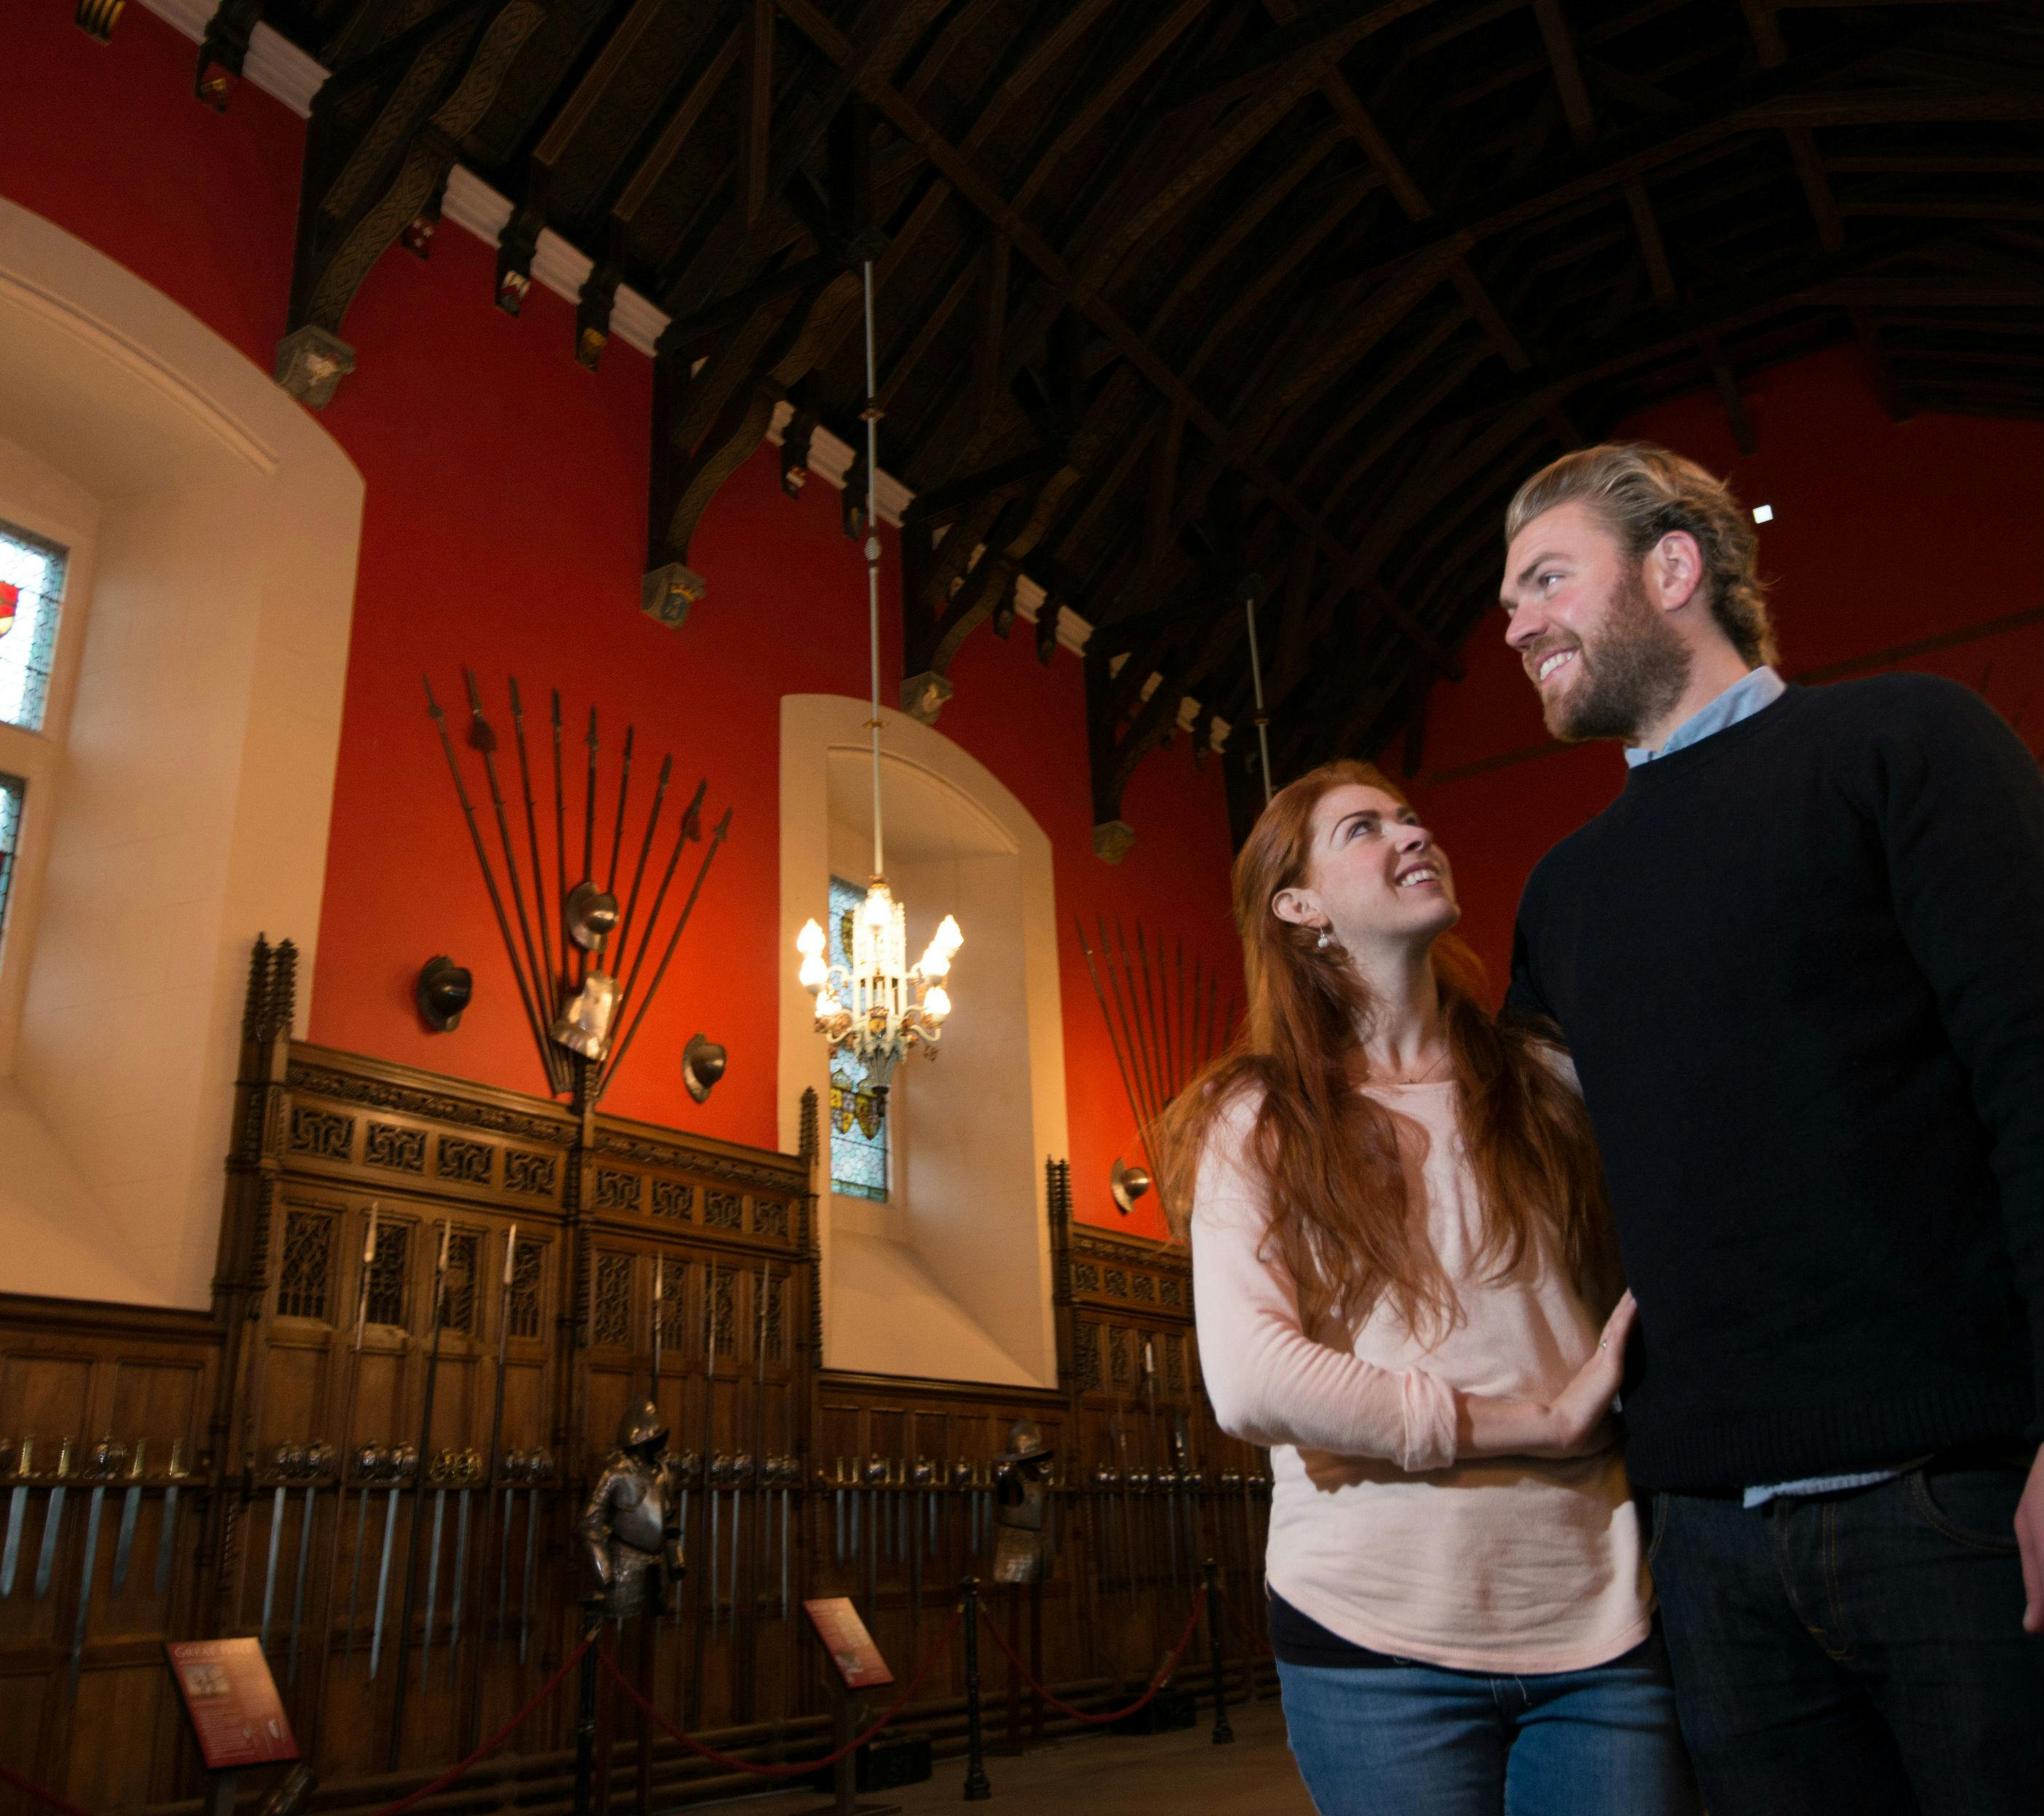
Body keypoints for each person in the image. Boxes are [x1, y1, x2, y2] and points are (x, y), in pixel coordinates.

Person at [1498, 443, 2044, 1815]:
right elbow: (1530, 1185)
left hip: (1958, 1506)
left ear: (1673, 568)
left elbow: (2034, 1072)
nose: (1512, 624)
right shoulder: (1560, 897)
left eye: (1545, 578)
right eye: (1507, 598)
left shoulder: (1902, 742)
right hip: (1708, 1547)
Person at [1156, 758, 1697, 1816]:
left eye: (1412, 818)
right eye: (1363, 828)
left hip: (1594, 1613)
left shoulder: (1546, 1085)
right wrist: (1527, 1425)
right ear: (1297, 905)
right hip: (1371, 1632)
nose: (1412, 836)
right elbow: (1253, 1382)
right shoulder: (1254, 1119)